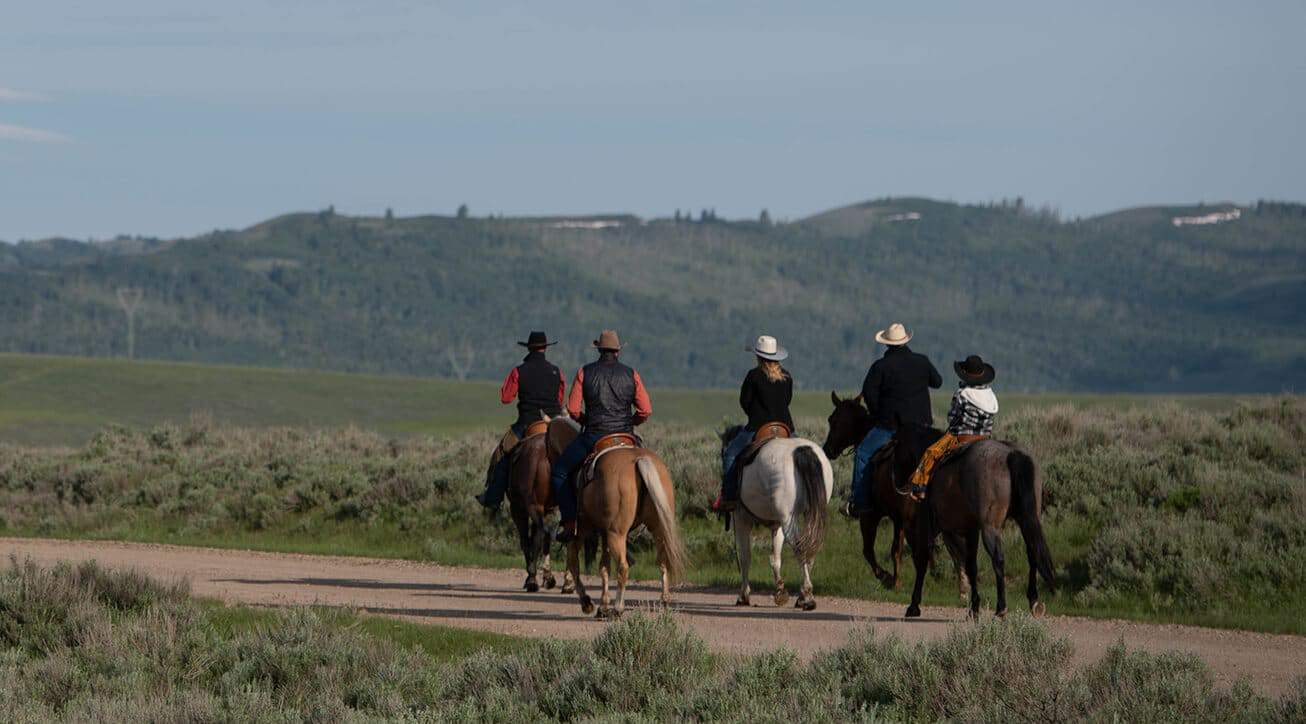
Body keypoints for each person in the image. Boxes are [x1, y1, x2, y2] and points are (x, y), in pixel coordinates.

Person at [549, 329, 652, 541]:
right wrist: (629, 422)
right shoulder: (631, 373)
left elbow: (573, 409)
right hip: (626, 435)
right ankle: (646, 518)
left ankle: (570, 522)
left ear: (599, 350)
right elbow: (645, 410)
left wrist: (586, 421)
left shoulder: (584, 372)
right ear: (617, 351)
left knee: (559, 472)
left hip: (595, 436)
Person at [844, 322, 942, 517]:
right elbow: (937, 382)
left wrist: (879, 414)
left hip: (891, 426)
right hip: (922, 426)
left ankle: (860, 503)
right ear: (906, 340)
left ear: (887, 344)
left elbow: (869, 395)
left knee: (863, 453)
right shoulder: (922, 361)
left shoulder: (881, 366)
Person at [474, 331, 565, 512]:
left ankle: (493, 497)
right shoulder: (557, 372)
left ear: (529, 348)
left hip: (527, 422)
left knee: (501, 453)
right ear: (545, 348)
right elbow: (560, 399)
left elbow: (506, 397)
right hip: (553, 424)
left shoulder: (518, 371)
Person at [711, 335, 794, 513]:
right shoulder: (787, 376)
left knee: (730, 454)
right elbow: (787, 401)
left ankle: (729, 496)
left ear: (758, 356)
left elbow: (745, 401)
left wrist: (756, 414)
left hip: (759, 427)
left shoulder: (753, 375)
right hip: (785, 427)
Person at [909, 355, 998, 500]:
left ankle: (920, 487)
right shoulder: (990, 395)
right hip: (985, 437)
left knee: (931, 452)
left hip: (962, 437)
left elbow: (952, 418)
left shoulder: (962, 394)